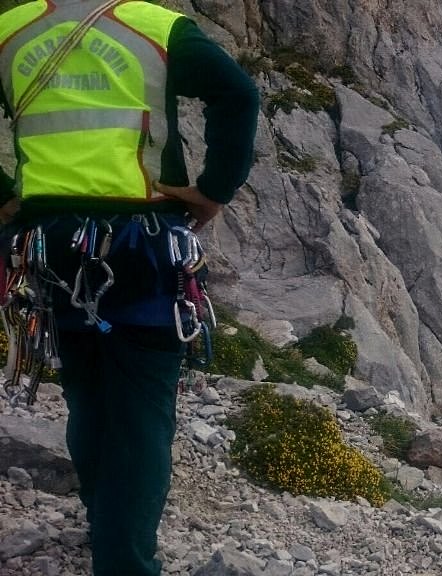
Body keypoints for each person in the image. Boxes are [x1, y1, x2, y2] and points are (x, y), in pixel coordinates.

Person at [0, 1, 259, 574]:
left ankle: (105, 519)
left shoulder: (10, 31)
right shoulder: (158, 28)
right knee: (141, 407)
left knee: (87, 389)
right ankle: (125, 557)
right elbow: (237, 94)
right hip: (138, 243)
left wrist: (4, 198)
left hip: (49, 246)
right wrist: (214, 189)